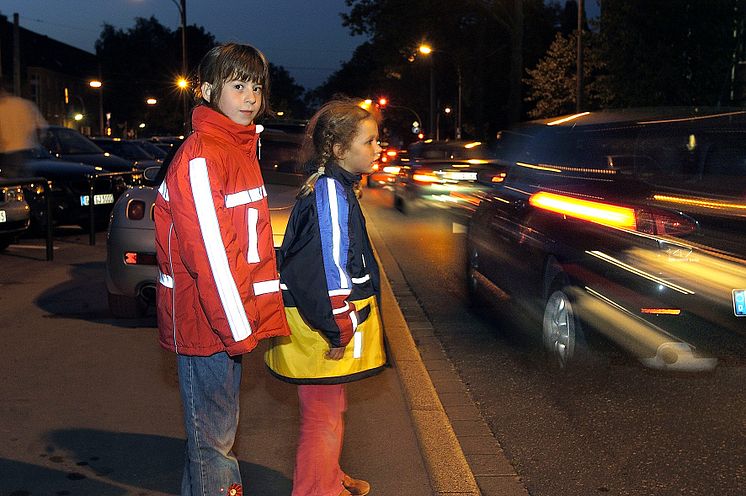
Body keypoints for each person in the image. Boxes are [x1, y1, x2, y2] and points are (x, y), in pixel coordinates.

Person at [153, 43, 290, 496]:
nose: (251, 96)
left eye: (256, 86)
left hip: (224, 320)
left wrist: (247, 319)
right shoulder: (203, 155)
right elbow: (212, 254)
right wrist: (238, 329)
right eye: (238, 86)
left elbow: (245, 249)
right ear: (209, 90)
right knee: (214, 445)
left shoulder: (236, 148)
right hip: (208, 323)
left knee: (210, 441)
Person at [265, 99, 387, 496]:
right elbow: (325, 268)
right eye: (369, 142)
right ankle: (316, 489)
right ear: (338, 149)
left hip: (320, 322)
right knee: (322, 416)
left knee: (330, 408)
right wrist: (339, 328)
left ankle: (328, 477)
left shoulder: (331, 185)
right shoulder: (332, 193)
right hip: (324, 325)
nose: (377, 149)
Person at [0, 85, 47, 179]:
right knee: (27, 181)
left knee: (12, 183)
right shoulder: (26, 105)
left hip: (8, 152)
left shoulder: (2, 107)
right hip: (29, 151)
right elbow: (41, 127)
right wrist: (36, 142)